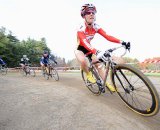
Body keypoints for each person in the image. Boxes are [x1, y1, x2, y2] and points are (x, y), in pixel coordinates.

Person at [74, 3, 130, 92]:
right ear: (83, 16)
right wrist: (96, 51)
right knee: (82, 60)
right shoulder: (81, 27)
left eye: (93, 12)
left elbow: (107, 36)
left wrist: (122, 42)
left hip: (89, 48)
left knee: (99, 65)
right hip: (80, 48)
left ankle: (106, 83)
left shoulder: (96, 26)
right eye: (88, 12)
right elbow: (84, 41)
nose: (91, 14)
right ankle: (88, 74)